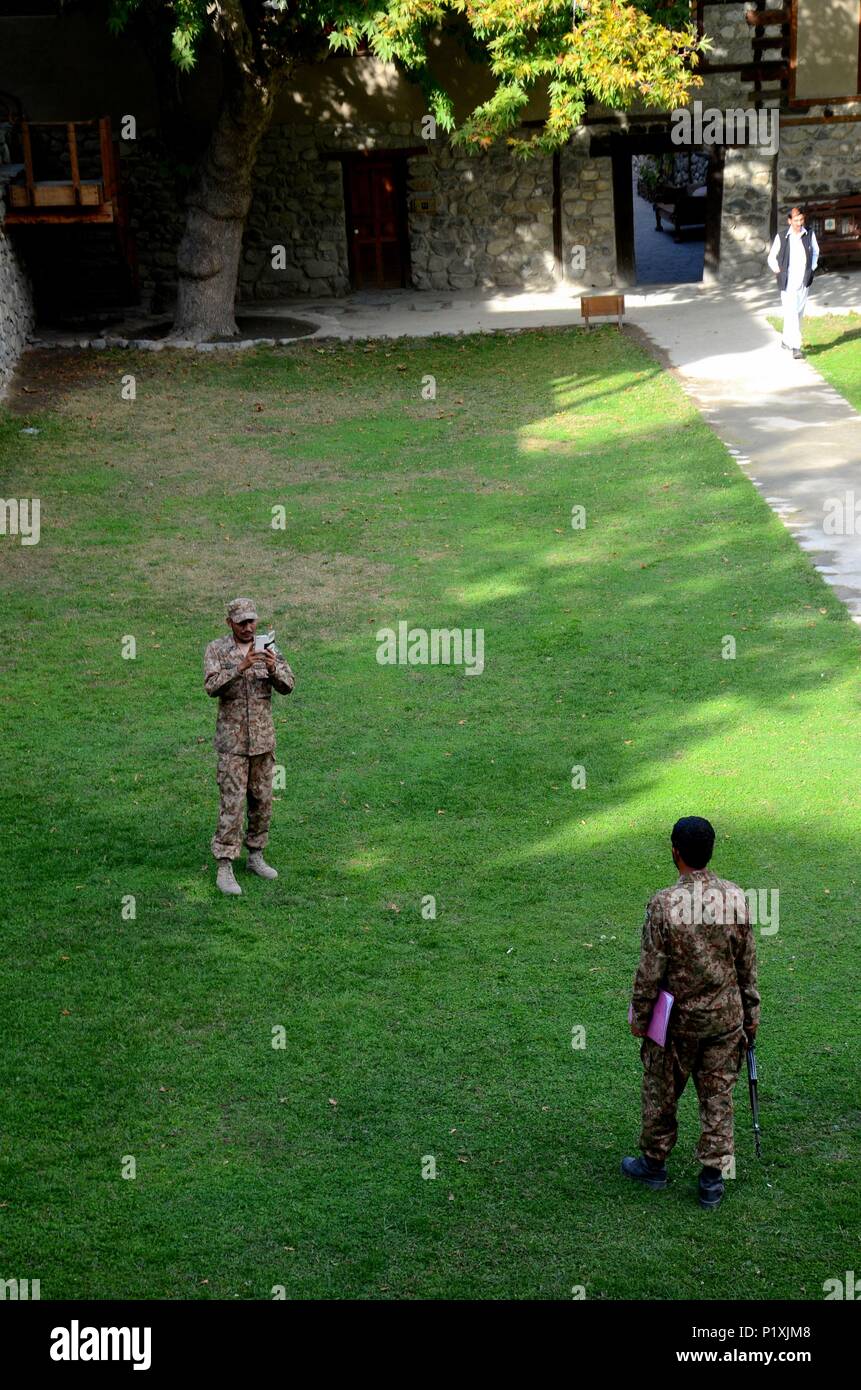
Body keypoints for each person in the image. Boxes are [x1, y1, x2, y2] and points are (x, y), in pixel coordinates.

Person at [620, 816, 761, 1210]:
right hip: (724, 1021)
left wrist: (641, 1018)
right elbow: (746, 967)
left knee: (661, 1092)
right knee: (718, 1096)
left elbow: (651, 971)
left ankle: (654, 1164)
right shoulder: (736, 898)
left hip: (675, 1024)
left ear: (675, 852)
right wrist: (751, 1016)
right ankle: (712, 1180)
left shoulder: (663, 904)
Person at [203, 597, 295, 896]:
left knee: (262, 800)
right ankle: (225, 864)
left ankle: (256, 855)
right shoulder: (217, 649)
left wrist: (272, 669)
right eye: (241, 622)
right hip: (232, 743)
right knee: (232, 803)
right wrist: (240, 667)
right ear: (229, 623)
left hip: (262, 742)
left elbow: (288, 685)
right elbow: (211, 687)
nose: (248, 627)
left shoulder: (269, 647)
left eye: (252, 621)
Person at [767, 206, 820, 359]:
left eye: (801, 220)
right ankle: (796, 347)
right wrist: (777, 269)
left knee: (798, 313)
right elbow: (771, 257)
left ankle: (786, 340)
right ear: (789, 221)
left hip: (803, 280)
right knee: (791, 311)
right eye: (796, 220)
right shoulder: (782, 236)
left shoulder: (809, 234)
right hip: (788, 281)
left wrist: (812, 267)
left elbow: (816, 252)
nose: (799, 223)